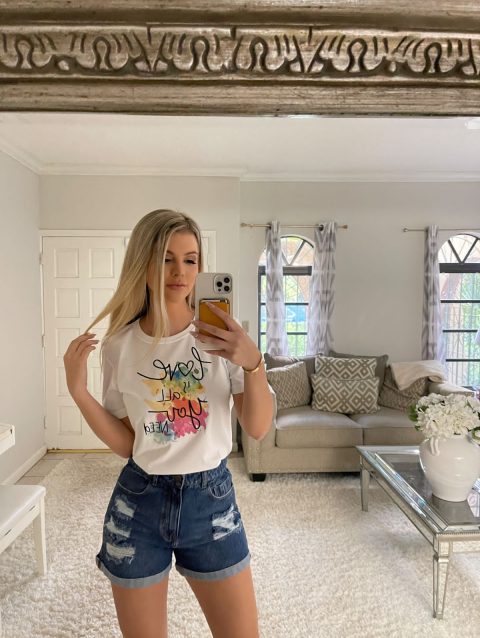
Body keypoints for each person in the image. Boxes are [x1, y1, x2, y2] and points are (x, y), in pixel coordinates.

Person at [63, 209, 273, 638]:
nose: (180, 272)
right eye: (166, 259)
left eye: (190, 259)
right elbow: (127, 444)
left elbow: (257, 427)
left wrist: (253, 362)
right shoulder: (120, 345)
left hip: (211, 501)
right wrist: (79, 393)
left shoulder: (223, 337)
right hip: (139, 503)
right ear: (143, 263)